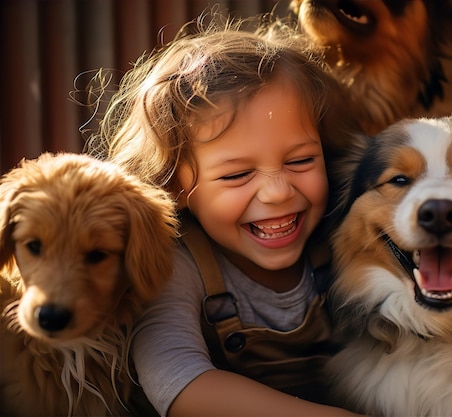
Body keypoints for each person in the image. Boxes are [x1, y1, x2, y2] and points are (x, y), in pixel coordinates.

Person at [86, 12, 362, 417]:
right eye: (237, 174)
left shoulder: (344, 235)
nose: (277, 192)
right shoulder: (176, 265)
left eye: (301, 160)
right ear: (175, 187)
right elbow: (178, 382)